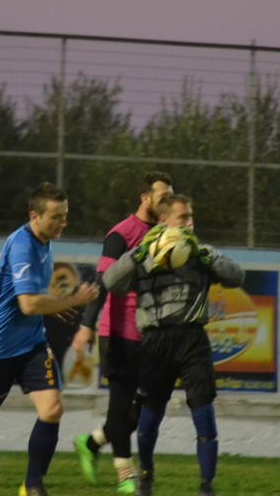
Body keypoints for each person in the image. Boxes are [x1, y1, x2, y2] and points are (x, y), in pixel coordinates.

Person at [0, 183, 100, 496]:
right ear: (34, 216)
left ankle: (32, 486)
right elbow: (28, 304)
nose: (63, 223)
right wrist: (72, 300)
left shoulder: (45, 242)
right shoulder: (22, 245)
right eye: (56, 216)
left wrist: (55, 305)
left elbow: (34, 299)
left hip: (31, 345)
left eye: (65, 216)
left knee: (52, 409)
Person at [103, 194, 244, 496]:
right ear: (164, 220)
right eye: (184, 217)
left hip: (193, 339)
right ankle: (146, 475)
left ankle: (206, 486)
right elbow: (111, 281)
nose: (190, 223)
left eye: (191, 216)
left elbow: (237, 276)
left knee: (203, 409)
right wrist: (138, 254)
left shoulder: (201, 252)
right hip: (155, 341)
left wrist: (206, 256)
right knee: (150, 416)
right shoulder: (145, 253)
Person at [70, 172, 174, 494]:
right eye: (163, 197)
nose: (168, 203)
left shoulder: (167, 234)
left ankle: (92, 442)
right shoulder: (121, 234)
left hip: (152, 335)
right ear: (145, 198)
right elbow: (101, 282)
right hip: (119, 332)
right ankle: (125, 475)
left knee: (142, 408)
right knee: (120, 403)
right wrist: (86, 325)